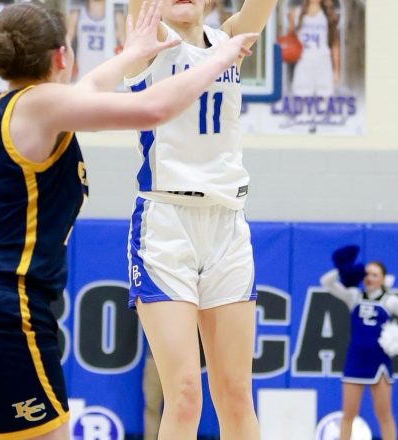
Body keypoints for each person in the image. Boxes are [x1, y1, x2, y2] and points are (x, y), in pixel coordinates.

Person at [0, 2, 258, 439]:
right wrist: (219, 58)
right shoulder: (42, 105)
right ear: (63, 55)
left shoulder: (21, 107)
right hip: (1, 315)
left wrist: (132, 53)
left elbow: (92, 86)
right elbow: (152, 109)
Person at [123, 0, 275, 438]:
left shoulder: (230, 40)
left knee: (236, 394)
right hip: (166, 224)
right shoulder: (149, 39)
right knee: (185, 394)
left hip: (227, 224)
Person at [319, 245, 398, 440]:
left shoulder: (391, 301)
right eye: (367, 274)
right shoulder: (354, 296)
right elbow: (326, 282)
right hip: (355, 361)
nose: (369, 278)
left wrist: (397, 335)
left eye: (375, 275)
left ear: (383, 279)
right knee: (348, 415)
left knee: (384, 415)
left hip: (379, 362)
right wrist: (344, 269)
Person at [287, 0, 340, 97]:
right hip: (304, 63)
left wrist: (336, 70)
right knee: (301, 100)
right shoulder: (295, 13)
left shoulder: (329, 14)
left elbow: (334, 44)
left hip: (323, 63)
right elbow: (290, 39)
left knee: (325, 100)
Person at [67, 0, 126, 80]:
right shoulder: (77, 13)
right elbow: (67, 40)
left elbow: (124, 43)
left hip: (108, 74)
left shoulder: (116, 15)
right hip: (84, 74)